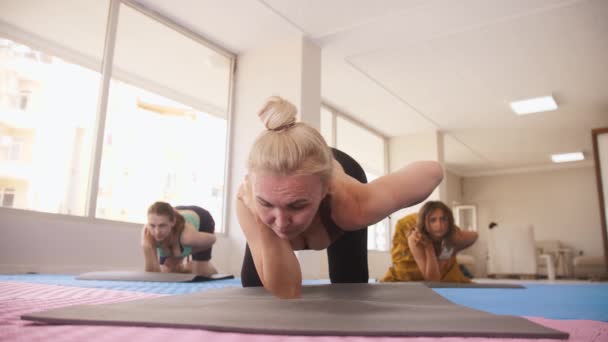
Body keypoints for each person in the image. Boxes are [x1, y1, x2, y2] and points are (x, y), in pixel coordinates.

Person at [237, 96, 444, 299]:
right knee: (255, 288)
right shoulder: (248, 201)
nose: (281, 223)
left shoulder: (352, 204)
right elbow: (287, 292)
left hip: (337, 182)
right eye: (266, 203)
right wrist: (259, 214)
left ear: (325, 190)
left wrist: (374, 195)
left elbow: (433, 171)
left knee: (350, 288)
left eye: (297, 206)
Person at [381, 201, 478, 283]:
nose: (439, 225)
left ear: (449, 221)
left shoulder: (452, 235)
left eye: (443, 219)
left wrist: (453, 250)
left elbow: (474, 235)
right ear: (425, 222)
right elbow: (433, 280)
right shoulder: (415, 238)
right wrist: (429, 247)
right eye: (433, 220)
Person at [141, 202, 218, 277]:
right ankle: (185, 267)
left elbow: (213, 239)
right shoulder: (148, 235)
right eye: (152, 226)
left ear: (173, 222)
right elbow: (151, 274)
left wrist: (179, 256)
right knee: (168, 272)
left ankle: (198, 266)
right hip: (172, 215)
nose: (157, 232)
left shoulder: (187, 237)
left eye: (162, 226)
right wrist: (148, 248)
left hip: (202, 218)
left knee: (200, 273)